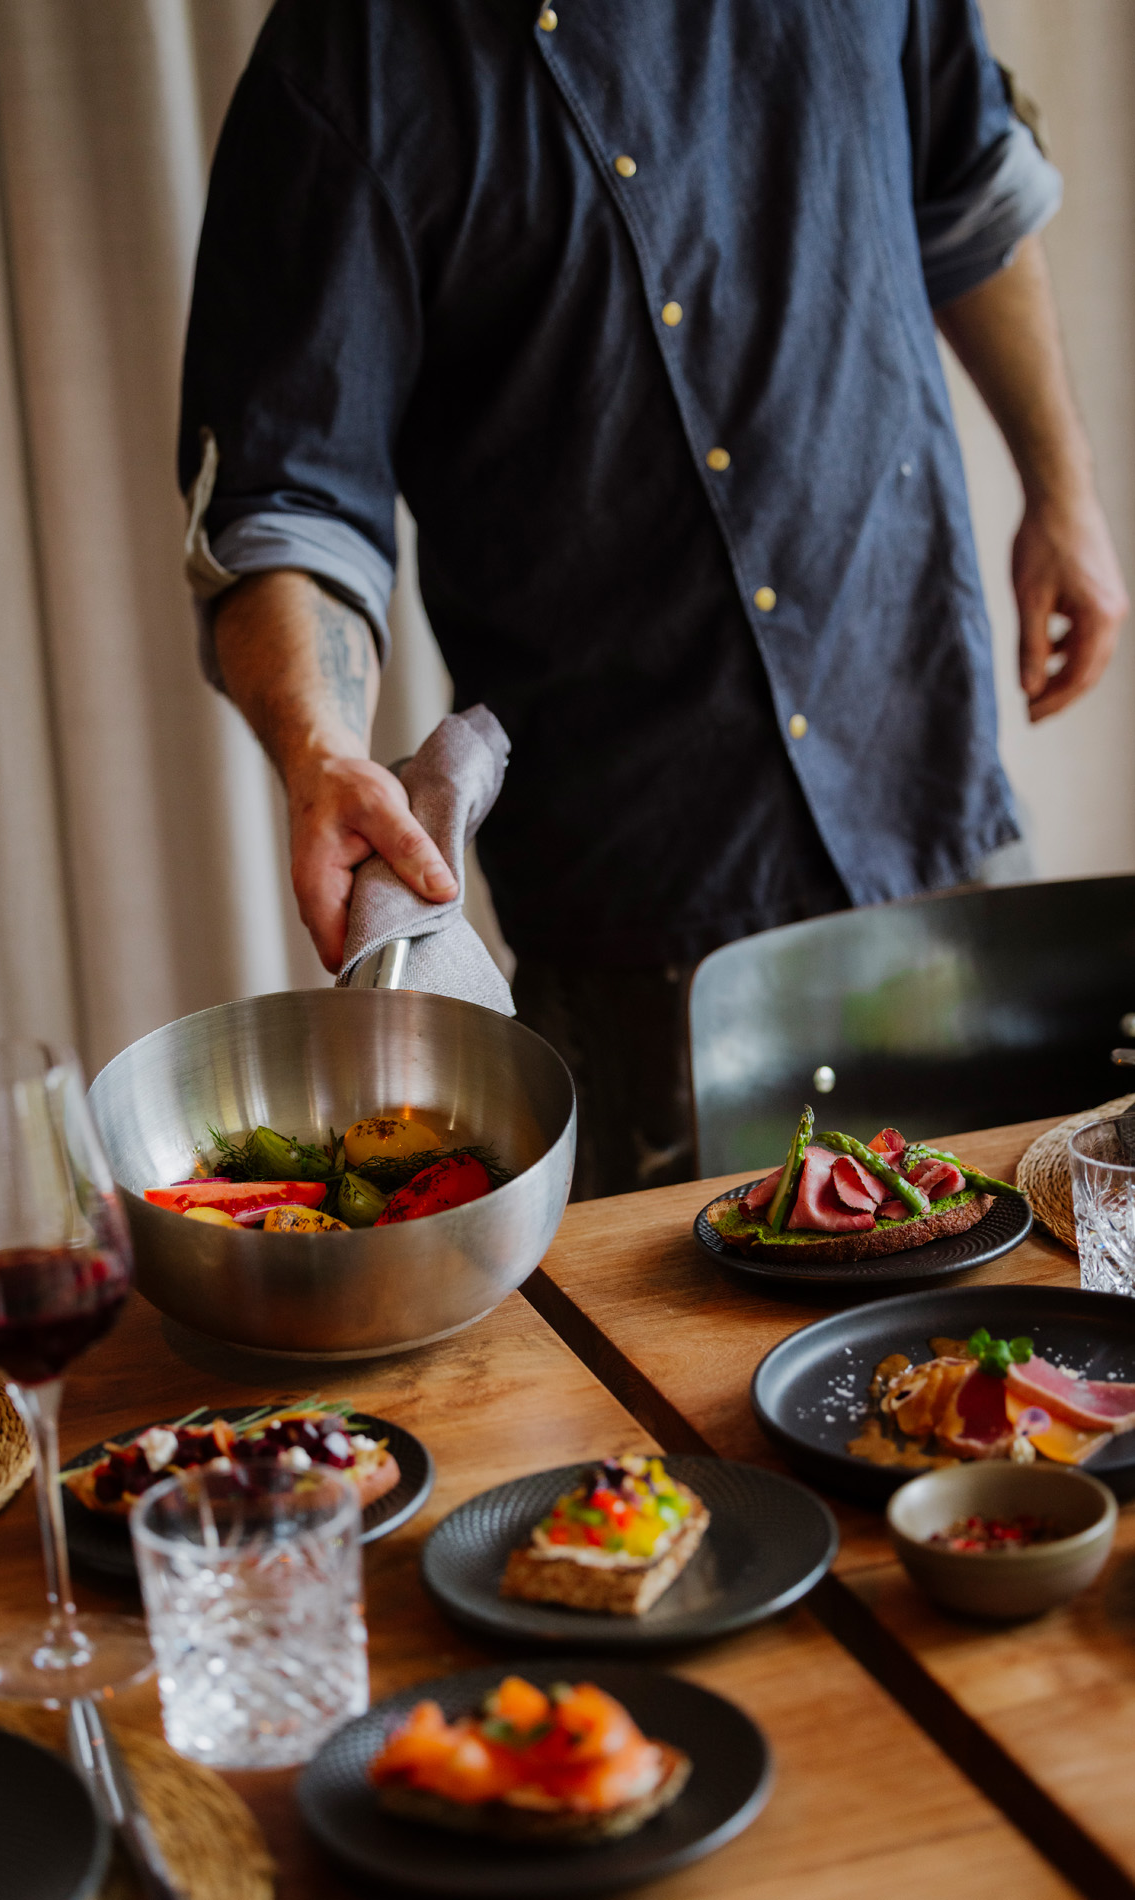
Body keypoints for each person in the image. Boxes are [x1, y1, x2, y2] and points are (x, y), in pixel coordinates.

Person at [179, 1, 1126, 1200]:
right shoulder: (349, 54)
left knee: (1029, 1277)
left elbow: (969, 187)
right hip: (639, 897)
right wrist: (321, 748)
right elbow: (287, 495)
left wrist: (1064, 492)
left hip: (923, 767)